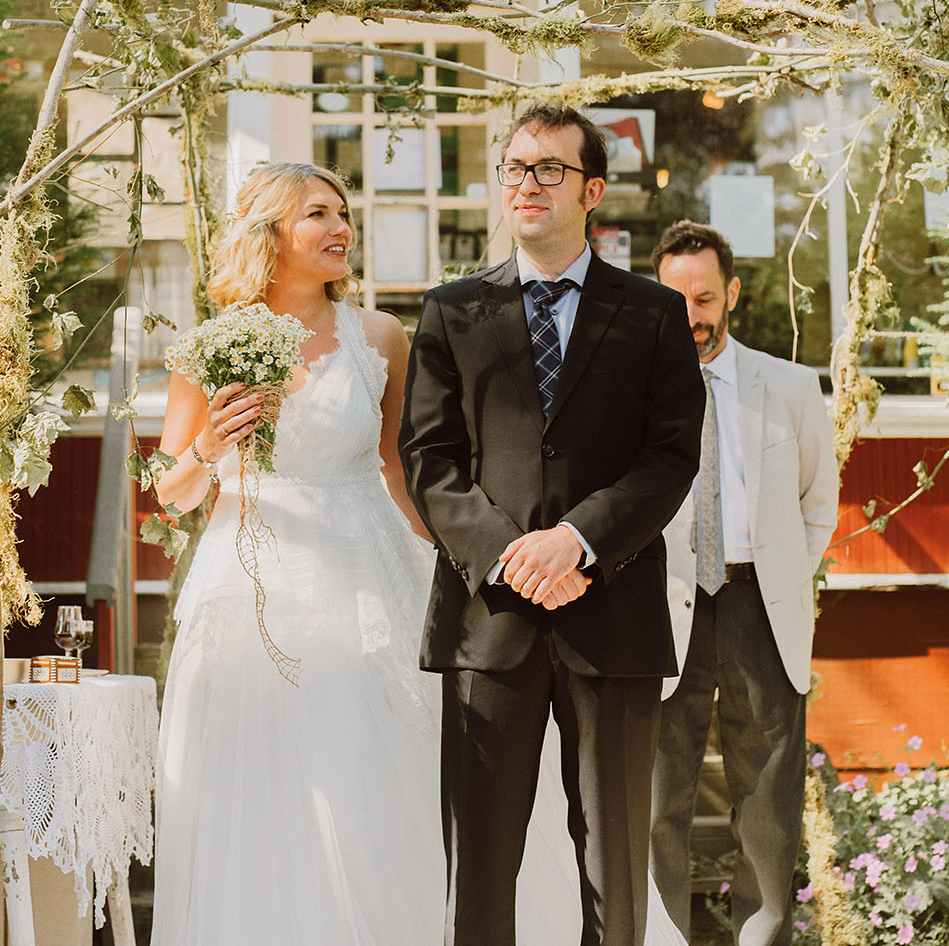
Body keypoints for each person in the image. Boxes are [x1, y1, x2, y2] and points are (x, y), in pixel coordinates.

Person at [149, 161, 690, 946]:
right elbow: (173, 492)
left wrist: (491, 570)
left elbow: (412, 472)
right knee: (256, 786)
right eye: (317, 215)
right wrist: (208, 446)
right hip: (247, 588)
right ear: (271, 233)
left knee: (383, 777)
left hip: (367, 574)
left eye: (343, 212)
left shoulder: (380, 336)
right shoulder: (211, 344)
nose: (340, 229)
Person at [399, 103, 706, 946]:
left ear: (593, 190)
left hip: (612, 619)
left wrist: (577, 543)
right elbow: (430, 459)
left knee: (613, 871)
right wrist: (508, 554)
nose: (526, 184)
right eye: (514, 169)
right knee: (482, 870)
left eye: (549, 170)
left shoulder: (653, 313)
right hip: (488, 622)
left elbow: (670, 456)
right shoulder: (450, 311)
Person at [648, 220, 839, 946]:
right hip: (666, 607)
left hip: (760, 602)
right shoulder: (634, 390)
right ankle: (661, 934)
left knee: (766, 792)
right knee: (661, 786)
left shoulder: (788, 386)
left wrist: (782, 576)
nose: (691, 315)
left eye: (703, 297)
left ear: (730, 293)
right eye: (675, 300)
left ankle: (763, 935)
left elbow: (819, 504)